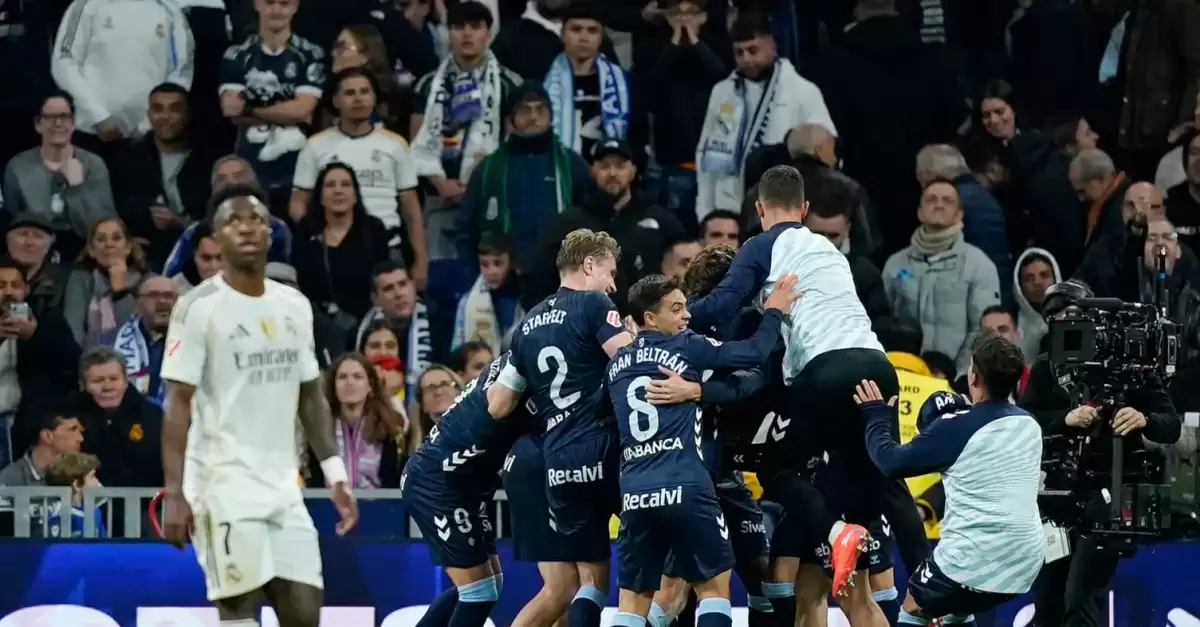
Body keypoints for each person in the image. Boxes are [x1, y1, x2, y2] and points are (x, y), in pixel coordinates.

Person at [684, 165, 896, 608]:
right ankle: (871, 556)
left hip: (823, 373)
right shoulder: (831, 253)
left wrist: (671, 317)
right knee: (873, 485)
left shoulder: (762, 245)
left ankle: (836, 535)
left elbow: (720, 307)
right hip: (878, 367)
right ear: (805, 208)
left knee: (778, 468)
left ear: (759, 208)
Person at [159, 184, 358, 627]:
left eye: (256, 219)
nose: (247, 228)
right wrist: (174, 493)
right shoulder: (197, 308)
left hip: (283, 488)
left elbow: (310, 393)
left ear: (270, 233)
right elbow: (176, 403)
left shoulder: (293, 305)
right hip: (221, 486)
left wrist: (336, 474)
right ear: (216, 238)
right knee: (240, 612)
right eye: (234, 221)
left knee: (305, 613)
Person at [605, 273, 796, 627]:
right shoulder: (685, 346)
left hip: (634, 493)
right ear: (650, 318)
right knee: (713, 590)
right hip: (687, 485)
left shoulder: (615, 366)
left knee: (632, 602)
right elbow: (753, 353)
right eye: (677, 309)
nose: (687, 315)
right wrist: (774, 312)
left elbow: (602, 415)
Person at [853, 334, 1045, 626]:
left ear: (973, 377)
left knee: (914, 606)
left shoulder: (957, 427)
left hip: (971, 560)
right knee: (958, 607)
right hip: (1025, 564)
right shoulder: (1030, 424)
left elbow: (890, 462)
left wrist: (877, 416)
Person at [497, 228, 635, 627]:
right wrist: (634, 336)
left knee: (582, 582)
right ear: (589, 265)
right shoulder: (594, 303)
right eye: (610, 272)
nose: (613, 285)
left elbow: (501, 403)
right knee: (648, 564)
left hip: (557, 462)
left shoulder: (526, 325)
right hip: (604, 449)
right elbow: (628, 363)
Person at [402, 352, 535, 627]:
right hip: (438, 482)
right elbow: (497, 409)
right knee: (478, 591)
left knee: (490, 584)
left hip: (468, 485)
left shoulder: (515, 363)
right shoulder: (519, 369)